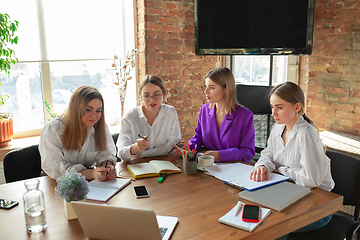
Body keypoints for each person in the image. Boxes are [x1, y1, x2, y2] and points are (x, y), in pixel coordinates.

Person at [250, 82, 334, 239]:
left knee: (271, 226)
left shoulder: (305, 134)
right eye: (272, 107)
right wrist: (263, 165)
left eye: (279, 107)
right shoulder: (278, 128)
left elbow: (311, 180)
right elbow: (268, 154)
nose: (273, 113)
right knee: (256, 216)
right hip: (290, 193)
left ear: (297, 107)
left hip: (318, 206)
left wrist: (282, 170)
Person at [39, 85, 117, 181]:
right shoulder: (53, 129)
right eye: (88, 109)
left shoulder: (100, 126)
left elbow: (106, 153)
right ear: (76, 108)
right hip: (58, 184)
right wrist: (91, 173)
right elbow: (54, 168)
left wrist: (108, 166)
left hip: (88, 184)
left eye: (98, 111)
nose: (94, 116)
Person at [188, 67, 255, 162]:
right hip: (208, 166)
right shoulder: (204, 110)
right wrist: (189, 147)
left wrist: (220, 155)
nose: (205, 91)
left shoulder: (245, 116)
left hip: (234, 168)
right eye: (206, 86)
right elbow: (199, 137)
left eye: (211, 87)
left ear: (226, 89)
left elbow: (247, 151)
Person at [116, 75, 181, 161]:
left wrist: (142, 153)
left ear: (163, 95)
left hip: (164, 164)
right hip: (136, 167)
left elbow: (172, 145)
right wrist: (135, 148)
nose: (152, 100)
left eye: (157, 94)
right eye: (146, 96)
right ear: (141, 97)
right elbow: (121, 153)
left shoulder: (170, 112)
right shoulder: (129, 117)